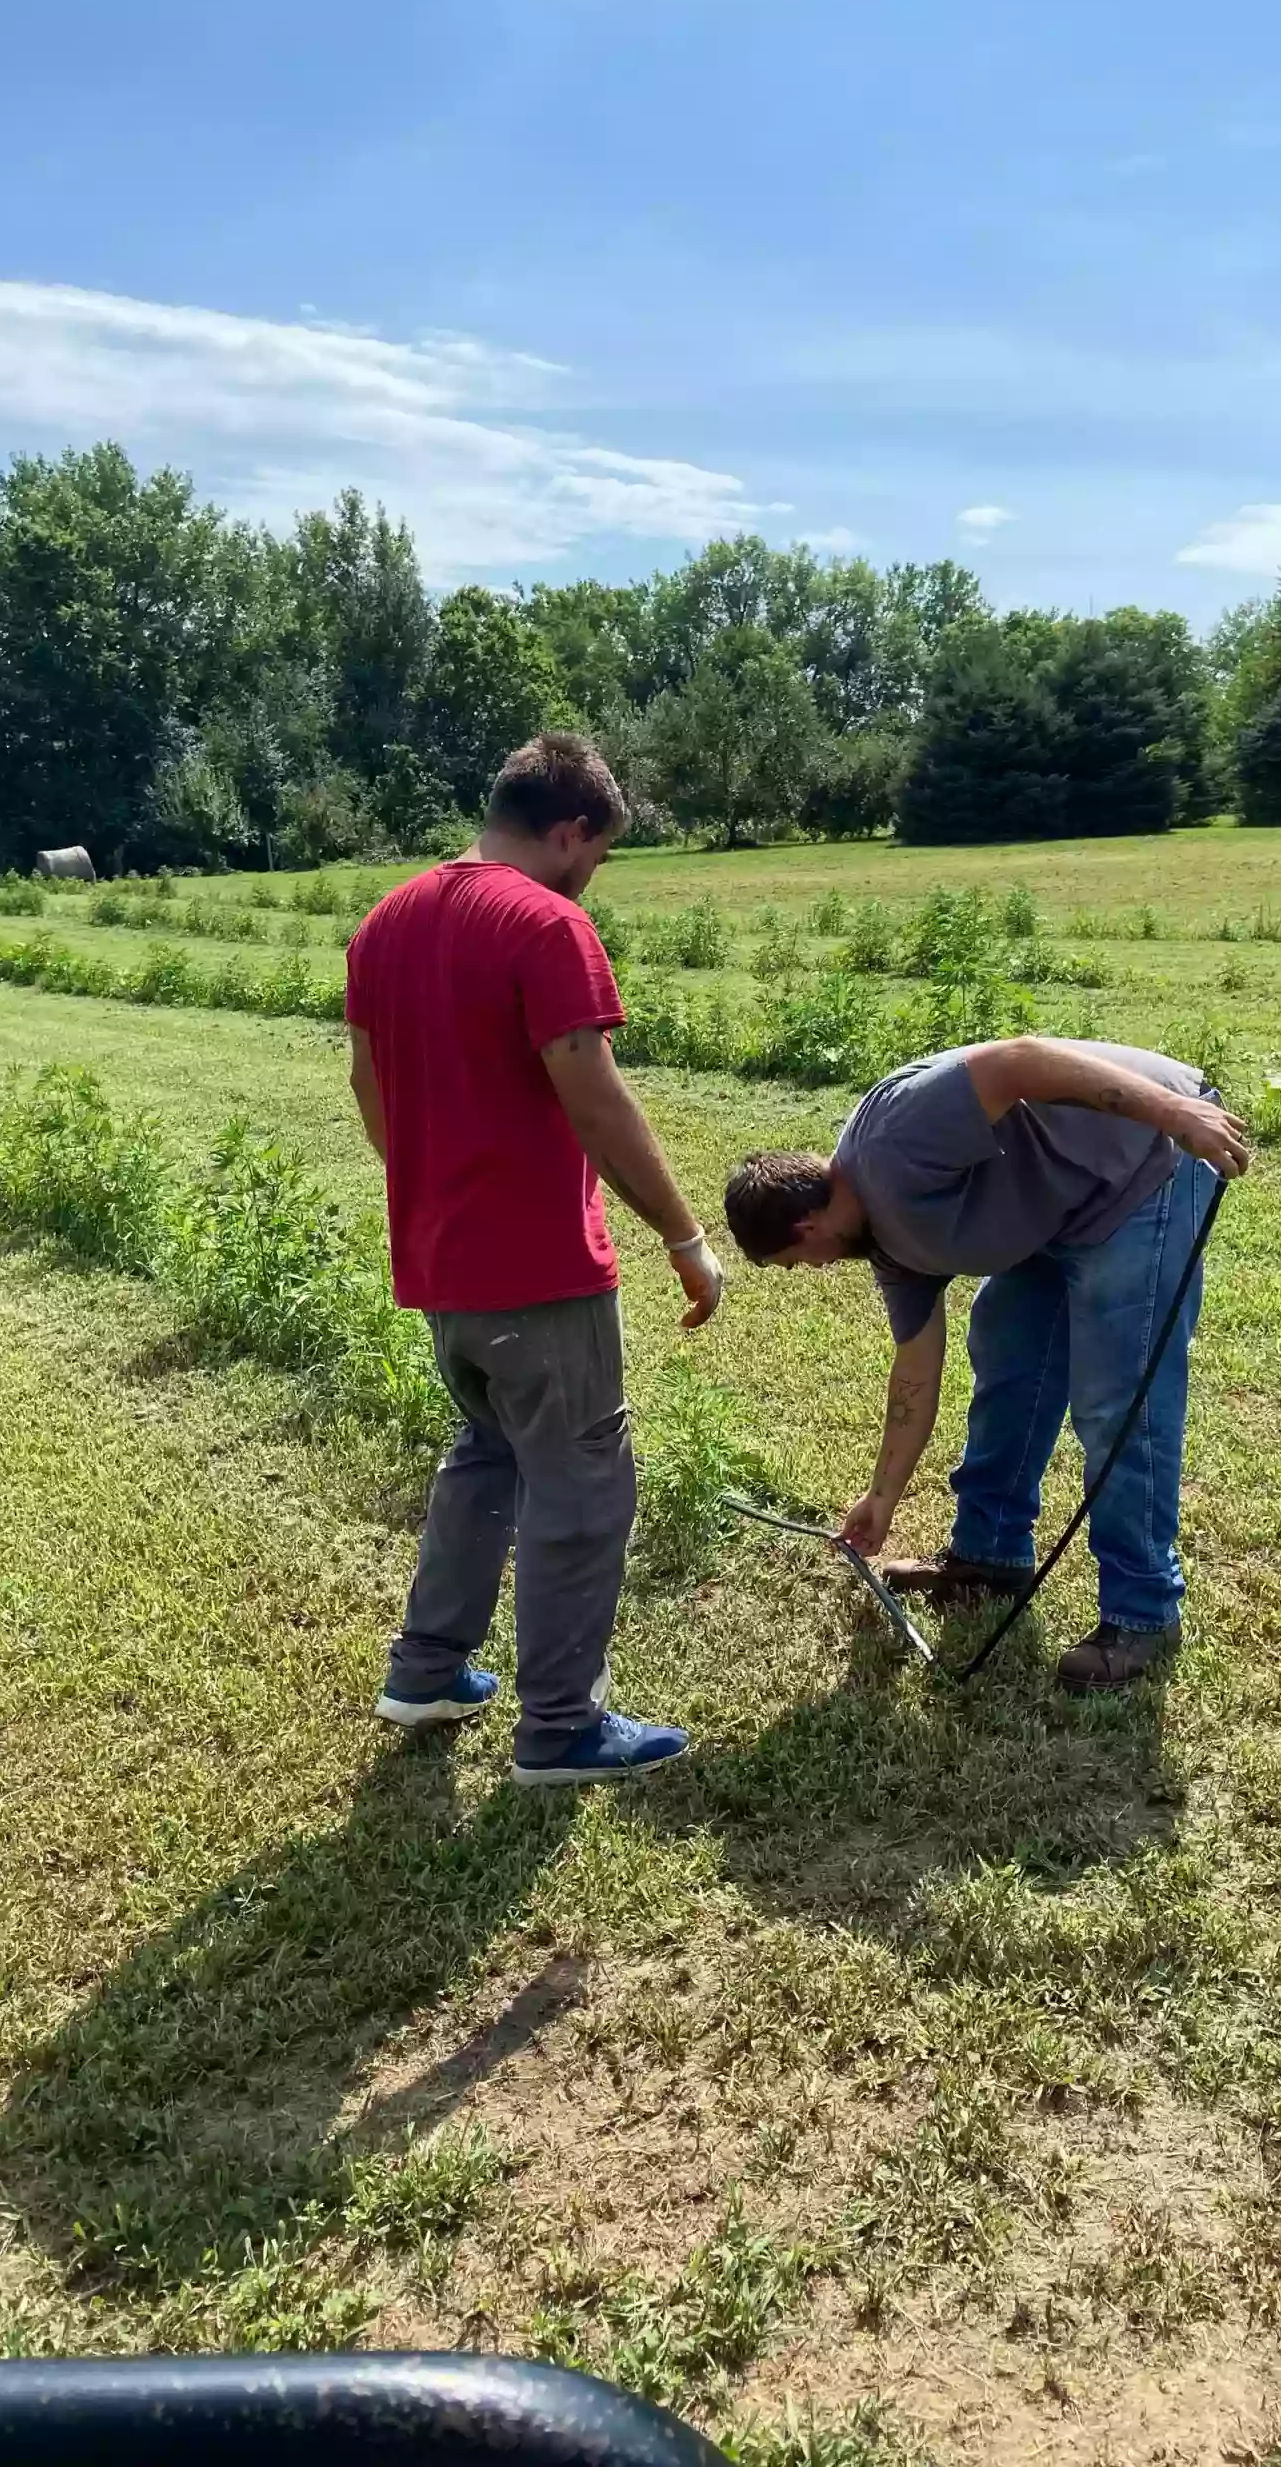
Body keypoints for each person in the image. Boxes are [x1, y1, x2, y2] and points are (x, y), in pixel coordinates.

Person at [345, 732, 725, 1785]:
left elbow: (369, 1086)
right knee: (584, 1483)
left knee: (488, 1454)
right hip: (538, 1269)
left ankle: (427, 1670)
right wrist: (685, 1237)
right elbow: (595, 1098)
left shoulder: (386, 921)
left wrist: (433, 1184)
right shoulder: (547, 925)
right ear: (569, 830)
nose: (593, 874)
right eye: (597, 853)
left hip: (440, 1264)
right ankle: (561, 1726)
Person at [722, 1038, 1250, 1691]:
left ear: (806, 1228)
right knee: (1008, 1366)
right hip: (1058, 1214)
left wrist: (1174, 1113)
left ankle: (1142, 1614)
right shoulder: (887, 1249)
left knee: (1117, 1405)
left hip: (1144, 1164)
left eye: (798, 1262)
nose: (815, 1270)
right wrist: (881, 1497)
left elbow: (1018, 1062)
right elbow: (915, 1369)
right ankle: (989, 1555)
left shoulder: (893, 1140)